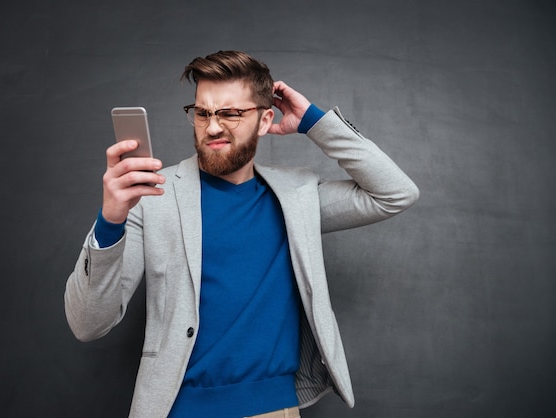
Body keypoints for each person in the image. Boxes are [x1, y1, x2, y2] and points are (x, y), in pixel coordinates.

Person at [65, 50, 419, 418]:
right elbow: (87, 324)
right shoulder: (152, 196)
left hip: (274, 410)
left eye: (231, 113)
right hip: (176, 410)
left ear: (266, 120)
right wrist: (110, 220)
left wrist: (314, 121)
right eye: (203, 113)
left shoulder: (295, 197)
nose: (213, 127)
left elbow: (395, 193)